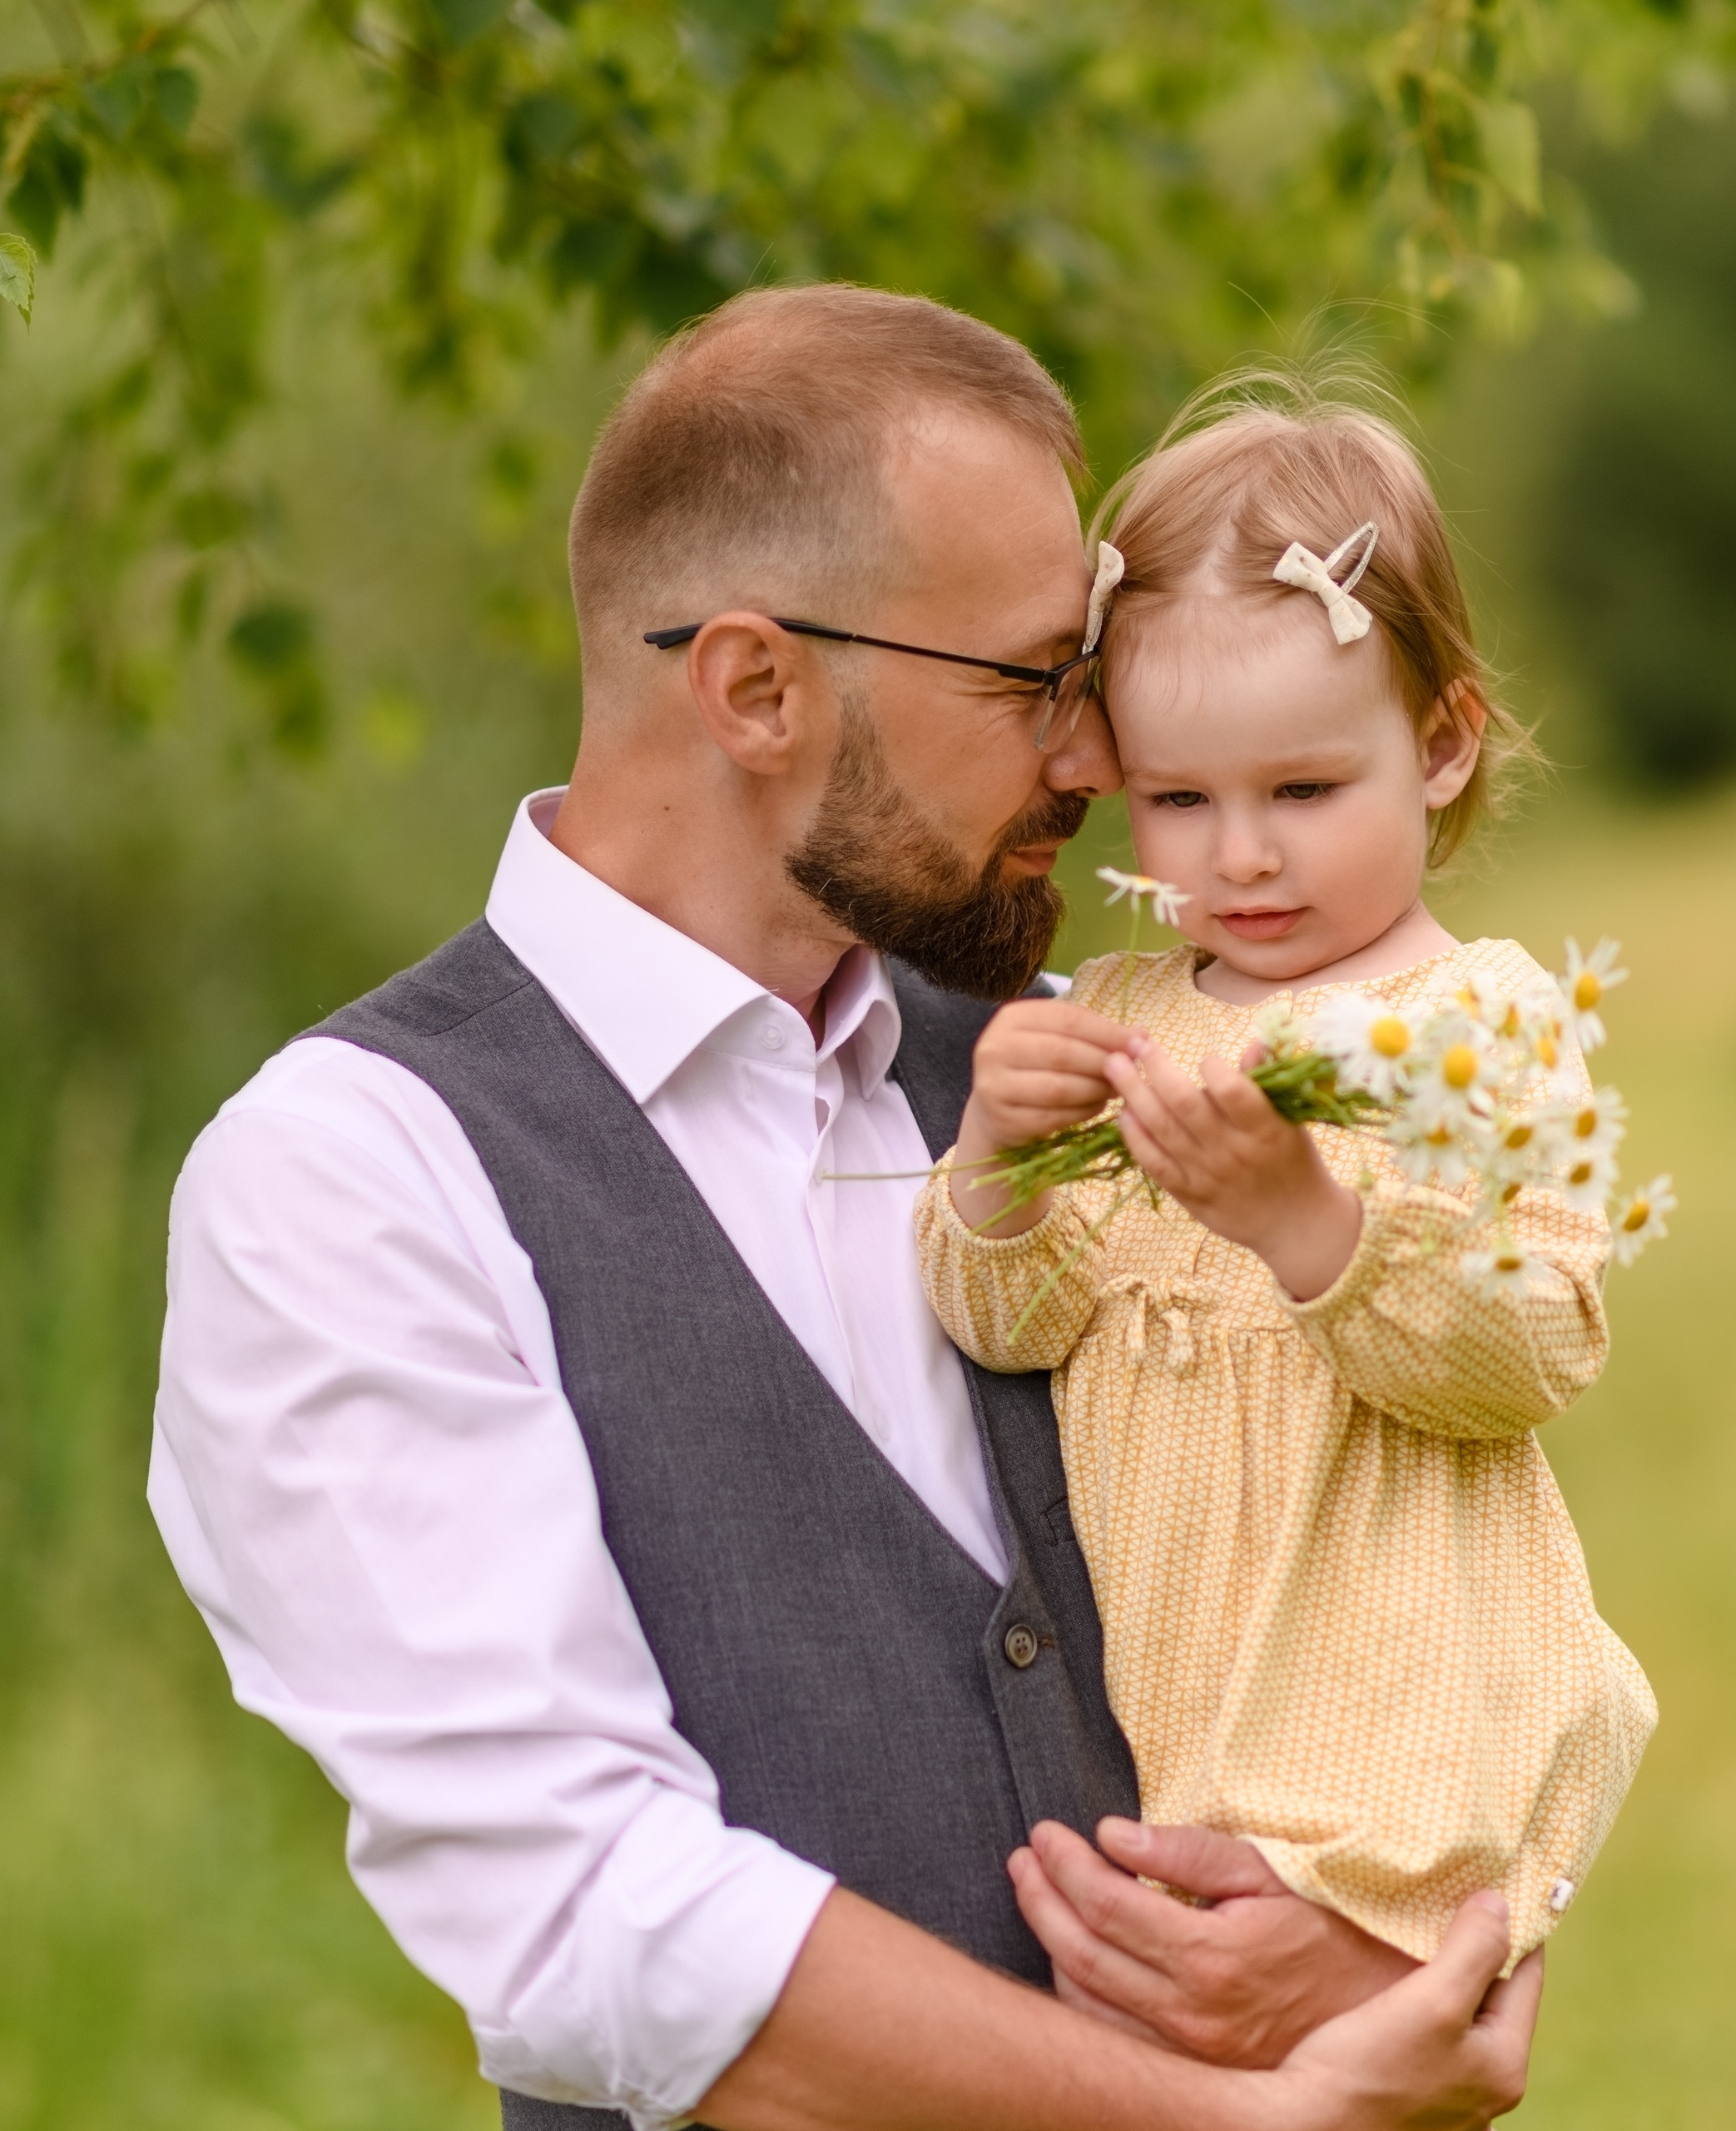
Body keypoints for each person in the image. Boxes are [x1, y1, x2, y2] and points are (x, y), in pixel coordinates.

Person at [150, 286, 1541, 2131]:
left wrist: (1437, 1939)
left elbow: (1426, 1532)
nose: (1092, 762)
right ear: (753, 686)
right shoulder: (348, 1172)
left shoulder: (1079, 1059)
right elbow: (582, 1909)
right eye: (1035, 679)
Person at [918, 385, 1658, 1972]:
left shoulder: (1477, 1025)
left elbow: (1531, 1351)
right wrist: (996, 1169)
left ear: (1444, 744)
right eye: (1179, 802)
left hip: (1394, 1749)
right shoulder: (1114, 1017)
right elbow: (1015, 1328)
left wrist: (1306, 1227)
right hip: (1169, 1724)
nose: (1238, 858)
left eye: (1302, 794)